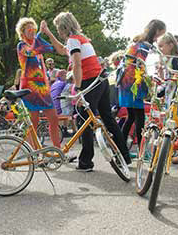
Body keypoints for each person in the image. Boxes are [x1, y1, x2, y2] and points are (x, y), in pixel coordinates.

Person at [41, 12, 131, 171]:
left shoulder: (73, 40)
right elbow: (62, 50)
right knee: (107, 118)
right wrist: (48, 33)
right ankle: (125, 155)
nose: (58, 32)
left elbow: (76, 64)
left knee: (83, 119)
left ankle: (85, 162)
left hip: (89, 82)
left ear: (63, 27)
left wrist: (77, 86)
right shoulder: (81, 39)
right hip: (100, 80)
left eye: (57, 29)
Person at [118, 20, 166, 156]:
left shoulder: (137, 42)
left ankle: (122, 150)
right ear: (156, 31)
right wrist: (150, 80)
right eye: (160, 34)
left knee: (131, 117)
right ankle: (141, 151)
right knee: (139, 118)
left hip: (125, 82)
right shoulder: (145, 45)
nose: (158, 39)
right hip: (134, 83)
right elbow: (141, 64)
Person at [15, 17, 61, 148]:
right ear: (22, 32)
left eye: (33, 29)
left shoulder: (38, 46)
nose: (32, 31)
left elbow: (49, 48)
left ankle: (58, 150)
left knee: (53, 118)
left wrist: (43, 32)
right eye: (29, 29)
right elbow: (31, 52)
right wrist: (40, 34)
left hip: (43, 88)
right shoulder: (21, 45)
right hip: (29, 88)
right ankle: (33, 152)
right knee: (33, 121)